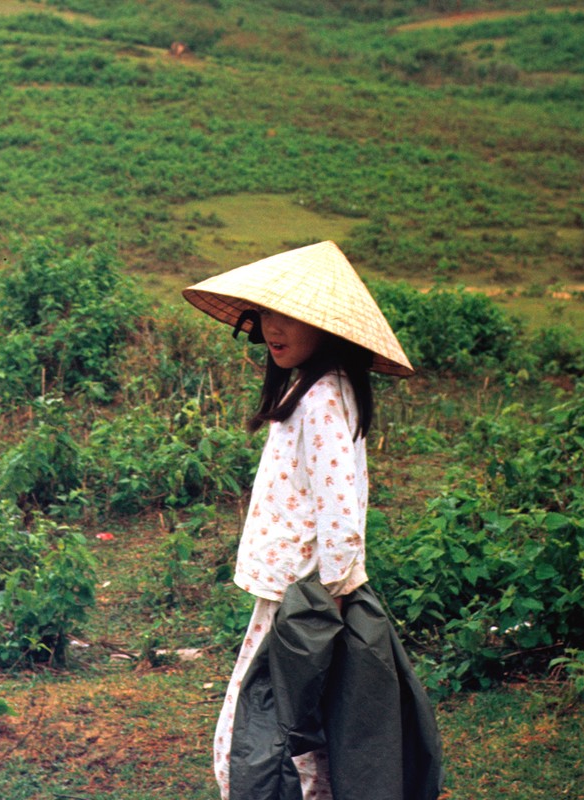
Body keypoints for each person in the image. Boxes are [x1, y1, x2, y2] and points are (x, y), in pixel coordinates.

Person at [182, 241, 442, 800]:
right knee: (293, 733)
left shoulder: (323, 396)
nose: (273, 328)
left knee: (273, 737)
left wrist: (329, 610)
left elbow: (341, 513)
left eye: (290, 317)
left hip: (309, 602)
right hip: (297, 597)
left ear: (326, 328)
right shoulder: (308, 387)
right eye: (267, 313)